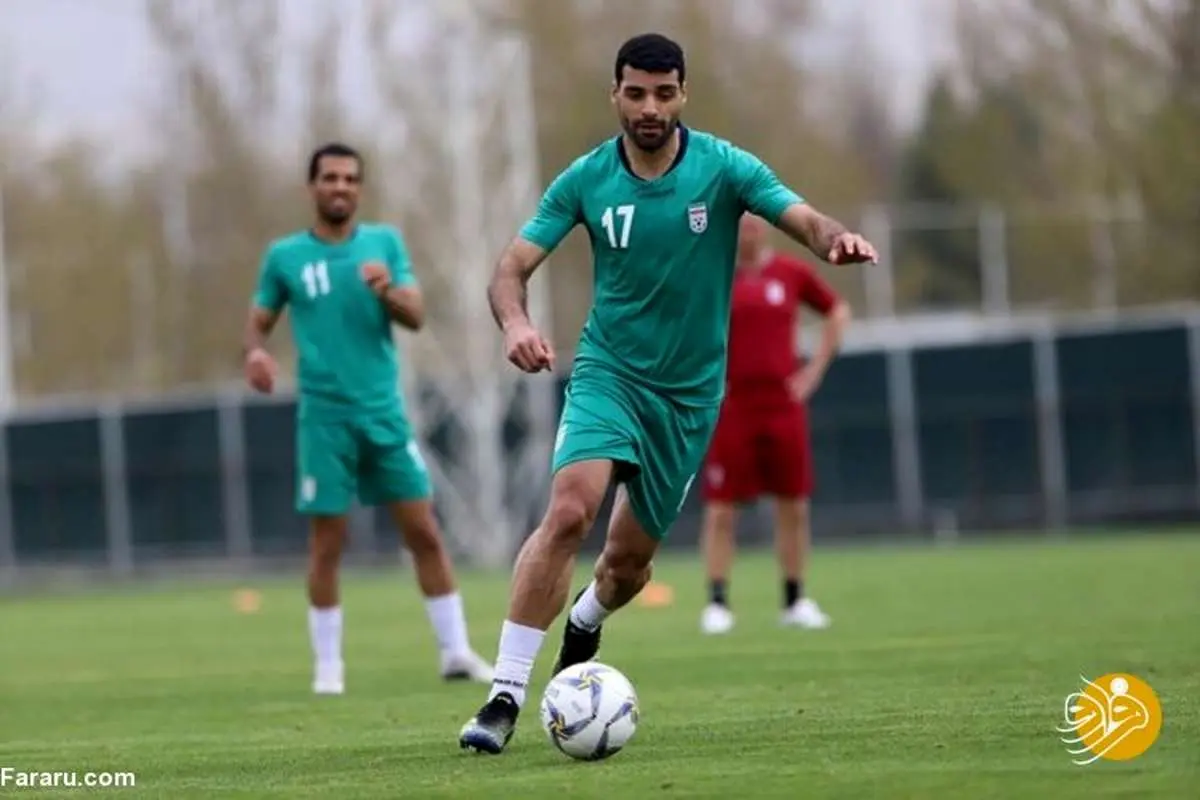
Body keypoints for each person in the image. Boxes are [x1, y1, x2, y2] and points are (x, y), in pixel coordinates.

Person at [457, 33, 877, 754]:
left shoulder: (724, 168)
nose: (649, 107)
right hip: (608, 374)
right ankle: (503, 696)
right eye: (635, 93)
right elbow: (511, 267)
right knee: (569, 511)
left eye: (663, 93)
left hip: (687, 402)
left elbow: (804, 219)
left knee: (626, 568)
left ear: (683, 94)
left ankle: (586, 621)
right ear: (615, 95)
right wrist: (517, 323)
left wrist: (834, 239)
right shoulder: (586, 179)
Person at [243, 142, 493, 695]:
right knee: (328, 542)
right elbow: (259, 319)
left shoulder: (384, 244)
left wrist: (387, 291)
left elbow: (416, 316)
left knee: (424, 531)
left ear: (359, 188)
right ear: (312, 186)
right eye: (331, 178)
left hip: (383, 414)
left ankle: (455, 651)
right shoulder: (286, 256)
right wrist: (255, 354)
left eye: (350, 179)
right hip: (324, 418)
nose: (341, 187)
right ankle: (328, 667)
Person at [698, 213, 851, 636]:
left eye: (754, 223)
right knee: (721, 508)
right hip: (734, 406)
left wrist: (813, 371)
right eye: (740, 224)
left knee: (793, 504)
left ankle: (794, 598)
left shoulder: (790, 273)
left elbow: (837, 311)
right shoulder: (715, 276)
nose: (748, 230)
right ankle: (717, 602)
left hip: (783, 405)